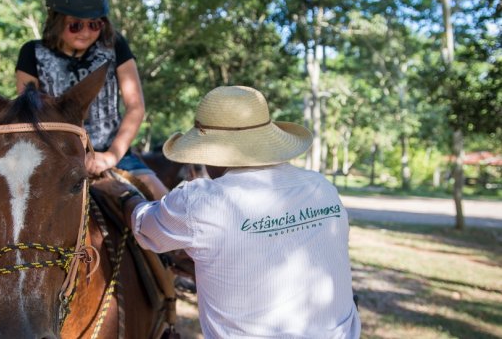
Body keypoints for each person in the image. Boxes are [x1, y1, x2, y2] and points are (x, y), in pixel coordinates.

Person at [95, 86, 362, 338]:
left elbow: (143, 226)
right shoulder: (322, 188)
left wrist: (122, 192)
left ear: (209, 153)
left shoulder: (200, 202)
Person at [15, 0, 168, 199]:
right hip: (53, 155)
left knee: (165, 203)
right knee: (8, 202)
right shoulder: (31, 53)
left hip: (113, 152)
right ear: (55, 19)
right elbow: (29, 118)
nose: (85, 32)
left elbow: (136, 107)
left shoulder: (115, 46)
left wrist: (111, 156)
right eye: (75, 25)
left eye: (95, 24)